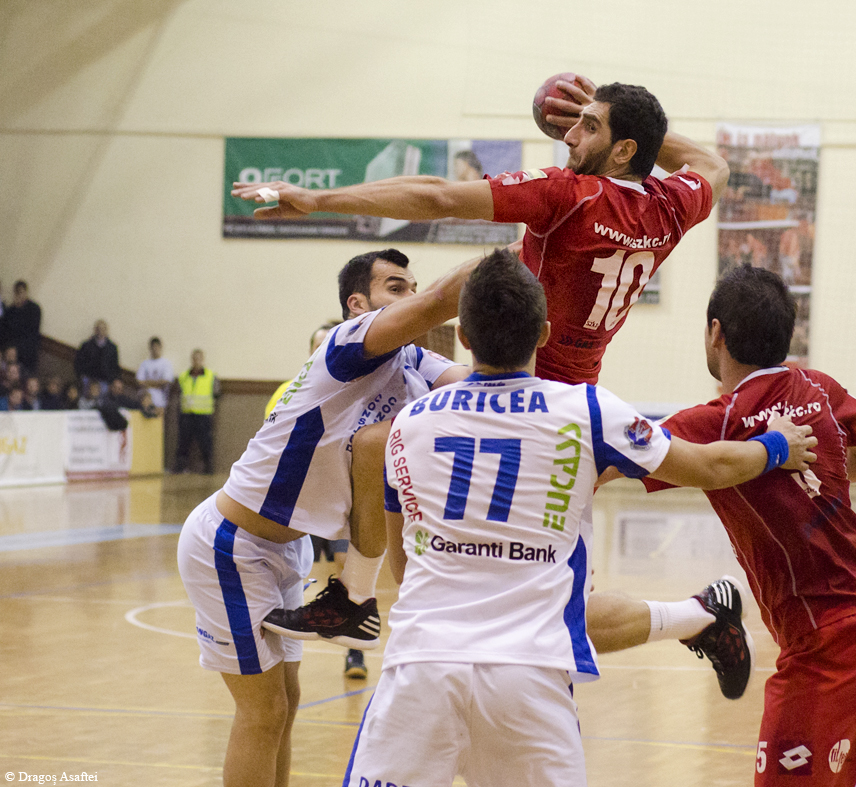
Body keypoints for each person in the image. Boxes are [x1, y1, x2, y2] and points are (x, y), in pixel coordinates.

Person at [337, 250, 814, 787]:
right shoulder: (587, 410)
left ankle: (694, 616)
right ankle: (695, 615)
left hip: (421, 670)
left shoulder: (408, 425)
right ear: (544, 334)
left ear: (463, 337)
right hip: (530, 678)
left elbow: (404, 570)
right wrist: (777, 446)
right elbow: (708, 466)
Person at [176, 249, 478, 787]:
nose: (410, 296)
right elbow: (439, 300)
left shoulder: (413, 360)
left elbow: (480, 383)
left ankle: (354, 595)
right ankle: (355, 595)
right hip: (231, 544)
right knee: (262, 712)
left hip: (287, 545)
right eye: (395, 287)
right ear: (358, 304)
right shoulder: (348, 342)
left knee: (286, 705)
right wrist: (537, 239)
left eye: (411, 286)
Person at [233, 78, 729, 384]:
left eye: (589, 127)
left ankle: (343, 357)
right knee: (497, 263)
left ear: (624, 150)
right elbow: (712, 164)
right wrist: (625, 118)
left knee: (384, 448)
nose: (570, 135)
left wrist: (318, 199)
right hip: (581, 392)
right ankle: (360, 348)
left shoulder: (568, 194)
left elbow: (438, 197)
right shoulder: (673, 205)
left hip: (515, 380)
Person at [636, 263, 856, 786]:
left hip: (827, 652)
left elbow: (610, 461)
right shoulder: (818, 386)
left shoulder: (718, 421)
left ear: (716, 332)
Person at [265, 320, 369, 679]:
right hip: (298, 503)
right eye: (318, 346)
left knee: (346, 572)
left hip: (341, 501)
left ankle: (355, 652)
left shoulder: (361, 391)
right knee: (286, 573)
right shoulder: (289, 392)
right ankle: (275, 652)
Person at [174, 349, 221, 474]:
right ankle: (180, 466)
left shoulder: (210, 376)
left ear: (203, 360)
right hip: (187, 413)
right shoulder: (184, 376)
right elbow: (180, 393)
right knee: (183, 441)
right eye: (194, 358)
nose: (196, 361)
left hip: (203, 414)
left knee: (205, 442)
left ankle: (208, 467)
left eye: (199, 358)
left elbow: (217, 394)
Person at [0, 281, 42, 375]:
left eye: (21, 292)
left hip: (26, 350)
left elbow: (32, 334)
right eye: (16, 292)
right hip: (10, 348)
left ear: (26, 292)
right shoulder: (11, 310)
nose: (19, 295)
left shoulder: (34, 309)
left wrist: (16, 348)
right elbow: (5, 331)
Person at [74, 319, 120, 394]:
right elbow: (78, 362)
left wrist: (110, 380)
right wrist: (81, 376)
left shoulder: (112, 348)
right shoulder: (86, 345)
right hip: (88, 379)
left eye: (103, 329)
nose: (100, 331)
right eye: (98, 329)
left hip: (104, 381)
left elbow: (115, 366)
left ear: (106, 331)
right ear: (95, 330)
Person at [136, 337, 175, 415]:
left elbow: (165, 382)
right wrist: (157, 384)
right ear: (150, 348)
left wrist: (148, 383)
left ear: (160, 347)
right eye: (153, 347)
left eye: (157, 347)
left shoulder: (166, 364)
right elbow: (139, 382)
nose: (155, 349)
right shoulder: (145, 364)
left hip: (160, 400)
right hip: (146, 399)